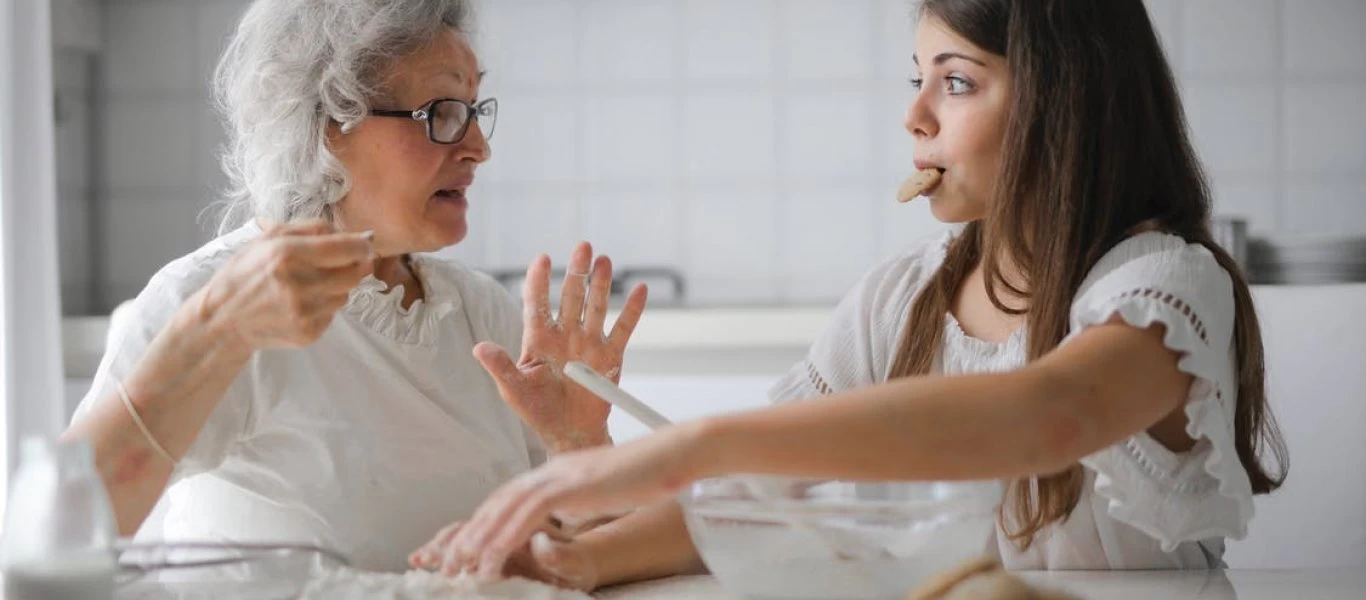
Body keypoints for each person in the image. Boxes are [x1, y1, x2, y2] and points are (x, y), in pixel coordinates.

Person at [415, 0, 1289, 587]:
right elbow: (766, 495)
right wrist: (580, 553)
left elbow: (1049, 416)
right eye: (918, 80)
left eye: (957, 81)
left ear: (1066, 103)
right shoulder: (897, 300)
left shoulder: (1165, 286)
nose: (915, 116)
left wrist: (698, 444)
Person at [62, 0, 646, 572]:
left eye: (474, 110)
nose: (479, 148)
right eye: (443, 113)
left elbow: (587, 557)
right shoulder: (210, 296)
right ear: (326, 124)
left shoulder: (481, 314)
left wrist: (579, 442)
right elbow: (59, 535)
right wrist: (211, 331)